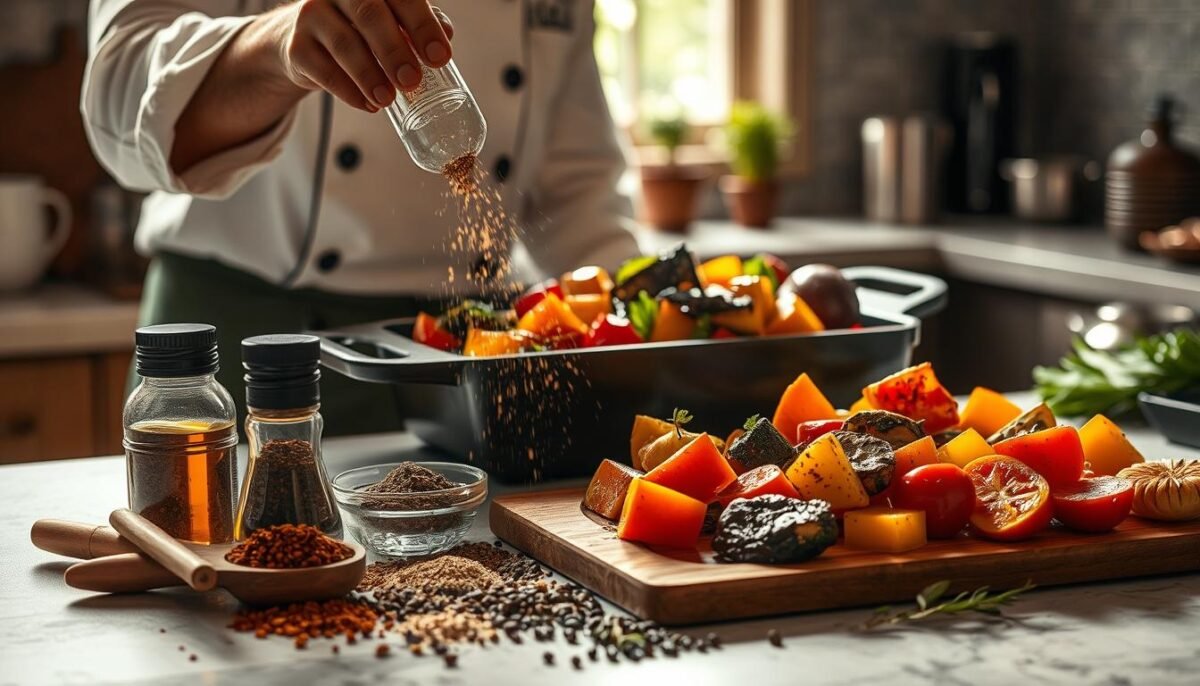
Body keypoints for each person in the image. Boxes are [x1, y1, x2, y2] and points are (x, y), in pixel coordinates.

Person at [82, 0, 640, 434]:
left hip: (473, 360)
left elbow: (579, 184)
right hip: (258, 350)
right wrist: (274, 47)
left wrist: (642, 346)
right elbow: (116, 94)